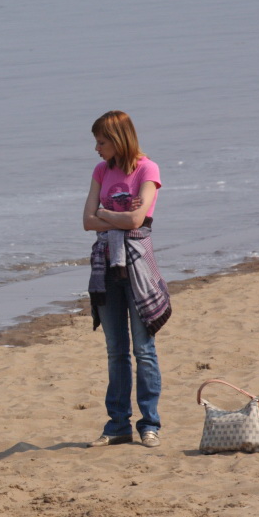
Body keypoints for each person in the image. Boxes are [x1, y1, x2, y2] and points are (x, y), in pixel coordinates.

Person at [81, 110, 172, 449]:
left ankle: (150, 424)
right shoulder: (101, 171)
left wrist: (106, 214)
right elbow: (87, 222)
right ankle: (117, 425)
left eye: (101, 142)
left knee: (144, 350)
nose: (97, 149)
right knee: (115, 351)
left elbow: (139, 218)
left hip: (137, 267)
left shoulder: (148, 169)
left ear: (118, 140)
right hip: (105, 268)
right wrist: (115, 218)